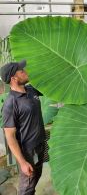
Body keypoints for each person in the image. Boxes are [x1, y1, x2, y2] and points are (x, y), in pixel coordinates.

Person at [0, 60, 46, 195]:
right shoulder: (11, 103)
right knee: (26, 187)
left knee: (36, 177)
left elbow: (50, 85)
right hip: (28, 152)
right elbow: (10, 136)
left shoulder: (31, 90)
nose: (26, 72)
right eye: (22, 71)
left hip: (40, 145)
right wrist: (23, 162)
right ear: (14, 78)